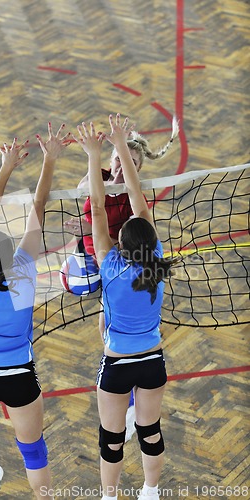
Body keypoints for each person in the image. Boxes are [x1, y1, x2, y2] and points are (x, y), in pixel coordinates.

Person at [72, 113, 179, 500]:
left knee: (111, 437)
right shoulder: (158, 262)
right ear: (151, 240)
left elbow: (98, 208)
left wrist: (98, 151)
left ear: (121, 243)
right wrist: (118, 150)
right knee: (150, 432)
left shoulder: (110, 266)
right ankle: (150, 491)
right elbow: (138, 206)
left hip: (116, 363)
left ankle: (109, 496)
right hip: (153, 361)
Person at [0, 123, 70, 498]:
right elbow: (37, 206)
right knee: (34, 452)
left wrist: (5, 167)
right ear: (9, 257)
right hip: (18, 376)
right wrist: (49, 159)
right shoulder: (23, 272)